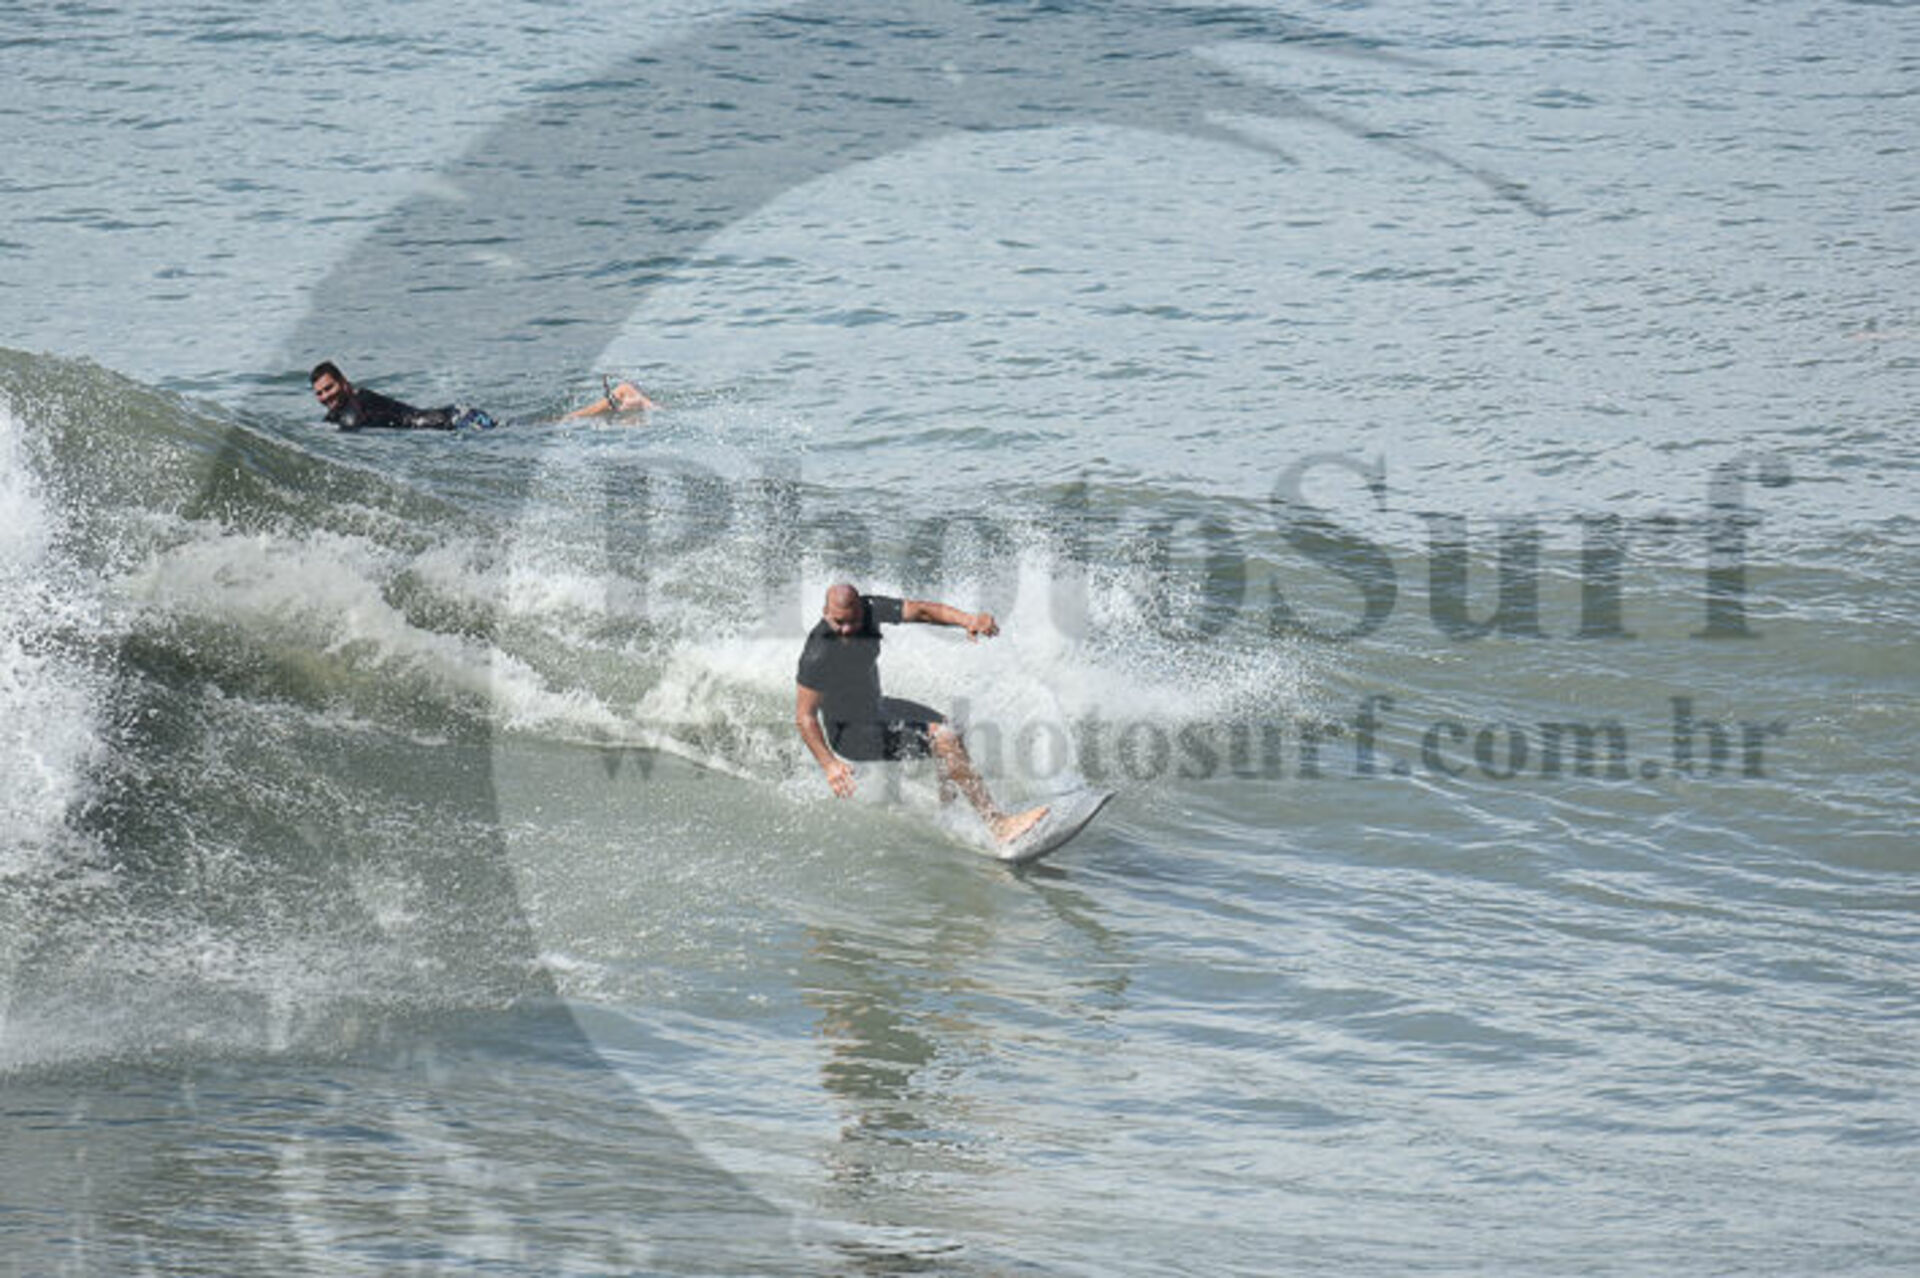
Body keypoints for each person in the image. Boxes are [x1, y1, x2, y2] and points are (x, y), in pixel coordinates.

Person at [795, 583, 1047, 844]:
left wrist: (968, 620)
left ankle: (949, 813)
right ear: (825, 612)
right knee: (945, 738)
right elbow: (805, 717)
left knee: (951, 729)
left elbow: (922, 611)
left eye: (853, 621)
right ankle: (999, 825)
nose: (846, 629)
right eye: (838, 622)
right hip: (850, 734)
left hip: (877, 708)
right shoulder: (818, 653)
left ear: (861, 609)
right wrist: (829, 765)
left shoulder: (871, 609)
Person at [309, 361, 655, 432]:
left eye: (329, 388)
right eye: (320, 393)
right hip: (454, 418)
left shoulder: (353, 408)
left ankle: (617, 399)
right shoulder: (352, 403)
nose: (325, 396)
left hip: (458, 422)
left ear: (344, 383)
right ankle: (617, 406)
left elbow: (351, 424)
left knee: (537, 427)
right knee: (533, 425)